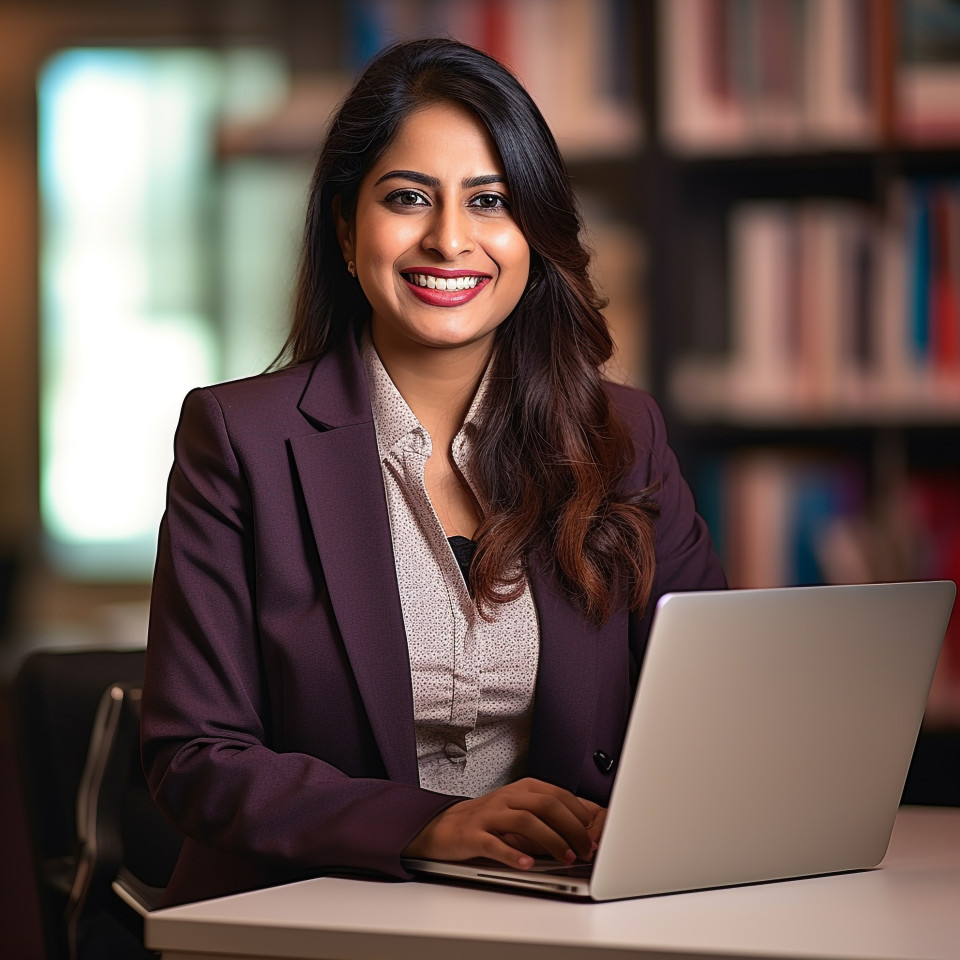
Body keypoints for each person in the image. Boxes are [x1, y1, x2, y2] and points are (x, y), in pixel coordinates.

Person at [141, 37, 726, 907]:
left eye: (490, 201)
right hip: (312, 912)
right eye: (408, 198)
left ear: (533, 234)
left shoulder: (621, 434)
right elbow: (195, 757)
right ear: (347, 230)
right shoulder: (238, 439)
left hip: (561, 911)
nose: (450, 240)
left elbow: (715, 703)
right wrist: (419, 824)